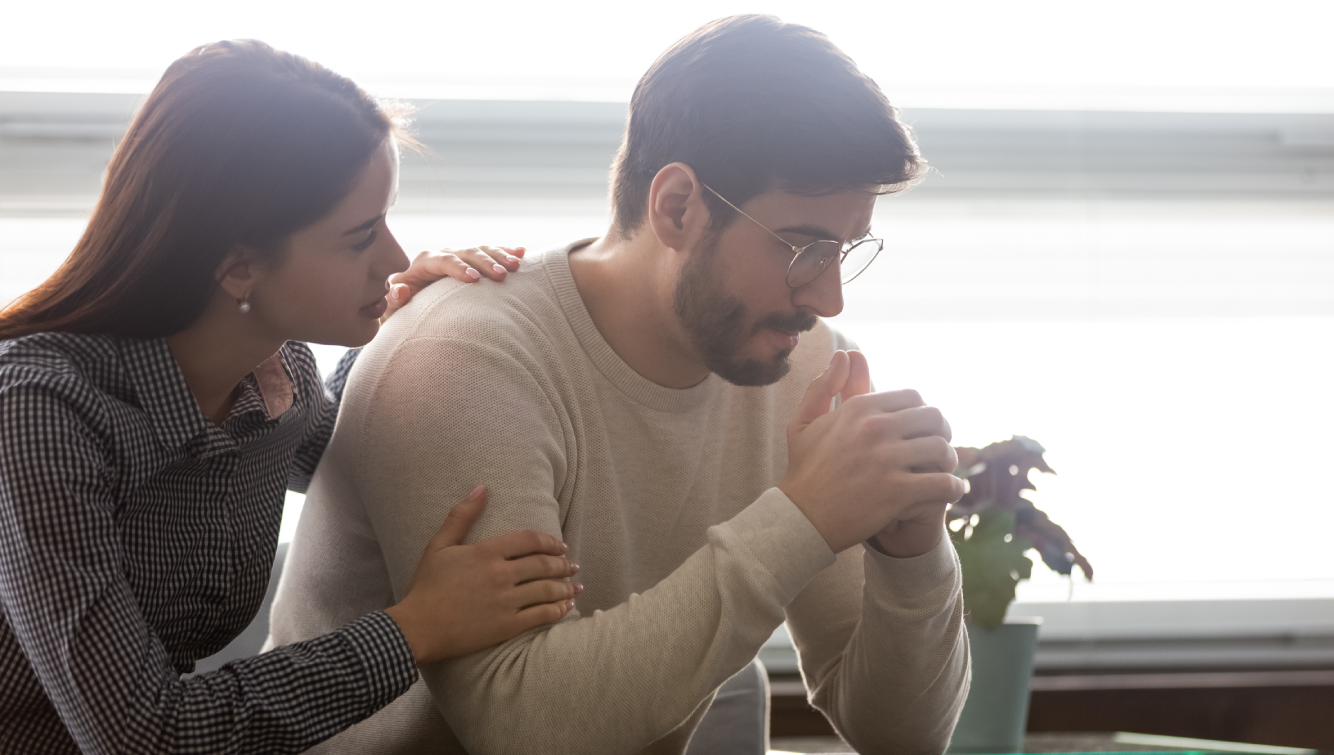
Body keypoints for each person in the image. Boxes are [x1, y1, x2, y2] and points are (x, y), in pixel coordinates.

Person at [270, 15, 970, 755]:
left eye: (846, 248)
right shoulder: (464, 359)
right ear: (677, 207)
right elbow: (517, 725)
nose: (828, 298)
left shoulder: (797, 361)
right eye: (802, 246)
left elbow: (901, 738)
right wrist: (803, 519)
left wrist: (913, 557)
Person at [0, 40, 583, 754]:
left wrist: (412, 327)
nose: (399, 257)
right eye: (361, 235)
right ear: (239, 265)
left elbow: (351, 447)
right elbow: (145, 736)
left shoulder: (280, 378)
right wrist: (416, 626)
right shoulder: (40, 413)